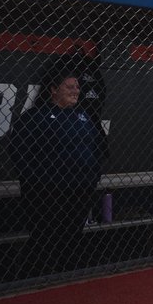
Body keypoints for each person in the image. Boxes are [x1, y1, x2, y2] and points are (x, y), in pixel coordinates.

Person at [9, 67, 108, 277]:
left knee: (72, 237)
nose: (75, 91)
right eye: (69, 87)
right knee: (44, 239)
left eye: (77, 87)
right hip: (46, 192)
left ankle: (68, 278)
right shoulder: (36, 117)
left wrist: (93, 176)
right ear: (53, 89)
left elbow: (99, 148)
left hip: (80, 190)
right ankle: (35, 279)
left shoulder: (84, 116)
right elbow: (18, 151)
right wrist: (37, 179)